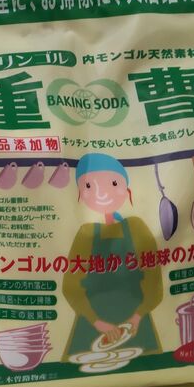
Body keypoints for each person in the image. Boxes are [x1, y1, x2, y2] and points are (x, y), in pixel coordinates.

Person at [63, 153, 163, 358]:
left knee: (148, 362)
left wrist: (137, 317)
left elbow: (154, 282)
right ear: (80, 194)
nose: (101, 193)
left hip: (137, 325)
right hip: (90, 327)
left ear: (127, 190)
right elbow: (70, 287)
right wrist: (97, 322)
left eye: (114, 183)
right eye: (89, 186)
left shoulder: (136, 227)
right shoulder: (84, 234)